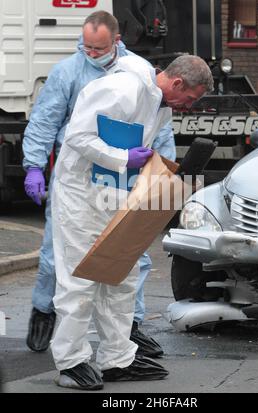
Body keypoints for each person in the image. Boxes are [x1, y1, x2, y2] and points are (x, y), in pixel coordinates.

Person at [50, 53, 213, 390]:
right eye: (190, 98)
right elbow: (78, 138)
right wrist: (125, 157)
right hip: (81, 195)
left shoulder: (156, 103)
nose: (189, 106)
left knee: (119, 276)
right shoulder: (123, 88)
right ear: (178, 83)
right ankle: (71, 362)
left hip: (111, 192)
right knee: (80, 278)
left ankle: (117, 358)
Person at [22, 11, 176, 358]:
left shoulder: (138, 72)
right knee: (58, 256)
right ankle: (44, 311)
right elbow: (46, 120)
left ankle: (128, 331)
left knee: (127, 259)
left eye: (98, 49)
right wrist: (34, 166)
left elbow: (158, 126)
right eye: (86, 47)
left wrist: (161, 172)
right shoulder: (68, 72)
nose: (91, 54)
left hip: (124, 179)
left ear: (116, 42)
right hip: (79, 178)